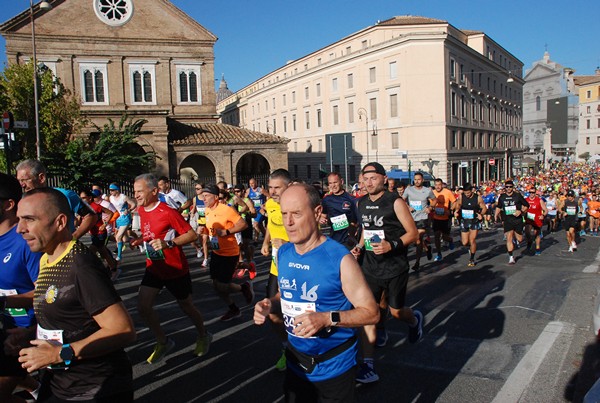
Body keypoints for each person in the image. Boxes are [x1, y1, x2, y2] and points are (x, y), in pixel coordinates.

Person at [254, 184, 379, 402]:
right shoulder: (283, 253)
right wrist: (269, 304)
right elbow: (285, 295)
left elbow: (371, 312)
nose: (288, 222)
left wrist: (326, 319)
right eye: (284, 214)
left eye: (296, 214)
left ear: (317, 212)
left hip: (334, 367)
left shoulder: (339, 258)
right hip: (297, 363)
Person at [15, 187, 136, 402]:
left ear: (60, 222)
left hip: (95, 388)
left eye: (29, 219)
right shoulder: (47, 257)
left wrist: (58, 353)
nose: (20, 229)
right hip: (60, 383)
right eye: (19, 219)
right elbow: (65, 309)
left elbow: (123, 330)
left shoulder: (81, 266)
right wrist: (27, 335)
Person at [351, 162, 422, 384]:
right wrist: (360, 247)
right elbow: (366, 229)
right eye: (365, 178)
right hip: (370, 267)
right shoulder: (361, 203)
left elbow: (413, 234)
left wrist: (391, 245)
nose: (369, 182)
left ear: (383, 179)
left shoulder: (395, 202)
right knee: (368, 312)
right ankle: (368, 365)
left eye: (373, 178)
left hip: (395, 266)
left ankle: (414, 320)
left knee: (396, 311)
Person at [133, 174, 211, 363]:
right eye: (135, 191)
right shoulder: (141, 210)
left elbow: (191, 235)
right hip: (154, 267)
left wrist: (168, 244)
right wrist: (139, 240)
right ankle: (163, 341)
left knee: (186, 306)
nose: (136, 195)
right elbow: (151, 234)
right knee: (143, 307)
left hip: (175, 268)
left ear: (154, 191)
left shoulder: (168, 211)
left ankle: (203, 335)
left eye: (139, 191)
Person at [0, 173, 41, 403]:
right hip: (4, 324)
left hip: (26, 330)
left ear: (8, 204)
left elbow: (45, 293)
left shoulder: (26, 241)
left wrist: (6, 302)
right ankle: (37, 390)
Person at [202, 184, 255, 321]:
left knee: (222, 286)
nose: (203, 198)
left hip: (229, 252)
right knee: (216, 285)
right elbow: (209, 228)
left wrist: (227, 232)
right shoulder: (207, 210)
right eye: (203, 195)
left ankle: (243, 287)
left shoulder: (226, 210)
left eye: (206, 195)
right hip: (216, 252)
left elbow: (243, 224)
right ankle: (234, 309)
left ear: (215, 197)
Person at [15, 159, 97, 240]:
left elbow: (91, 216)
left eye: (25, 180)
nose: (22, 185)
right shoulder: (23, 200)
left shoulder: (65, 195)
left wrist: (73, 238)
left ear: (41, 178)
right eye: (19, 181)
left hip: (62, 250)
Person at [261, 169, 292, 371]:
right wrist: (265, 242)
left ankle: (307, 352)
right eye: (270, 187)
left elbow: (312, 237)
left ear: (288, 186)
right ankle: (286, 349)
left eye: (277, 187)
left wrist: (286, 244)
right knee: (272, 313)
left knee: (298, 314)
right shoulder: (271, 204)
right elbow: (271, 226)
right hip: (276, 266)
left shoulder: (299, 206)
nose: (272, 191)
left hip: (297, 267)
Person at [79, 189, 119, 277]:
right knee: (103, 252)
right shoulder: (84, 207)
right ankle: (114, 268)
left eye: (84, 198)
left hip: (100, 233)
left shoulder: (96, 206)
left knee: (90, 252)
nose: (82, 200)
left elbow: (110, 213)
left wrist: (105, 224)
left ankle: (93, 272)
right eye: (81, 198)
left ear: (90, 198)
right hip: (93, 233)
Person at [402, 171, 436, 271]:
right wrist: (407, 207)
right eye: (415, 179)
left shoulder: (427, 190)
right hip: (412, 218)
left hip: (423, 217)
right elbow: (402, 200)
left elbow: (434, 200)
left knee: (418, 238)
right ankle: (427, 248)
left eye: (419, 179)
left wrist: (430, 207)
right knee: (417, 240)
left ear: (422, 180)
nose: (417, 181)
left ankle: (417, 262)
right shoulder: (409, 189)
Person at [320, 172, 359, 250]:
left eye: (335, 182)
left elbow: (357, 222)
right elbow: (323, 216)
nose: (333, 185)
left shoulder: (351, 199)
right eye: (330, 183)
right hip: (332, 239)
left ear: (341, 182)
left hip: (347, 241)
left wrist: (351, 230)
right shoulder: (326, 200)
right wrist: (321, 219)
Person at [495, 180, 529, 265]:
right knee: (509, 237)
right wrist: (496, 215)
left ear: (513, 187)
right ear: (505, 188)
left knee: (520, 239)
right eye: (507, 187)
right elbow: (499, 207)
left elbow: (527, 205)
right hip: (507, 220)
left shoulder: (517, 196)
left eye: (510, 187)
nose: (508, 188)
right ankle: (511, 257)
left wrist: (521, 211)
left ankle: (517, 236)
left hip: (517, 220)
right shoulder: (502, 197)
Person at [454, 183, 487, 267]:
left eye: (468, 193)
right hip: (465, 220)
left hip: (474, 220)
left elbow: (484, 208)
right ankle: (470, 247)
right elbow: (458, 205)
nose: (467, 195)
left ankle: (472, 258)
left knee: (472, 240)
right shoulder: (462, 196)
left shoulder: (477, 198)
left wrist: (481, 215)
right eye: (465, 193)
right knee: (465, 242)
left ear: (472, 190)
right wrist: (456, 211)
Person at [108, 183, 139, 262]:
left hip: (125, 218)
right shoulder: (111, 198)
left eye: (112, 190)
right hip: (118, 219)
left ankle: (119, 256)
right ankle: (136, 241)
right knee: (125, 239)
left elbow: (133, 204)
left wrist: (128, 210)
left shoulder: (123, 197)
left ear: (117, 190)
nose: (111, 192)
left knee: (118, 237)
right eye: (110, 190)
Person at [431, 178, 456, 261]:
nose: (438, 187)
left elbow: (454, 202)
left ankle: (450, 240)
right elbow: (430, 203)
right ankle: (439, 253)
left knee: (445, 237)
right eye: (436, 185)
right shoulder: (432, 193)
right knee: (436, 236)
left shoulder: (447, 192)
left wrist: (450, 210)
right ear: (434, 185)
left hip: (445, 218)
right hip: (436, 218)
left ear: (442, 185)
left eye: (439, 185)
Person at [190, 182, 209, 267]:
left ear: (203, 189)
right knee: (199, 240)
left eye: (198, 189)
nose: (196, 190)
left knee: (204, 241)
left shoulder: (207, 198)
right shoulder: (195, 198)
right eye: (196, 189)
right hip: (200, 221)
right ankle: (201, 250)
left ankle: (205, 259)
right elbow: (194, 208)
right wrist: (192, 213)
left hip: (208, 221)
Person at [524, 191, 547, 256]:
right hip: (529, 219)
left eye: (533, 192)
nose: (531, 194)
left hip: (537, 219)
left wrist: (543, 215)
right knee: (527, 232)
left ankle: (537, 248)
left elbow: (545, 210)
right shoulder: (526, 200)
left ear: (535, 193)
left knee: (537, 234)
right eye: (530, 192)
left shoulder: (539, 200)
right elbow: (522, 208)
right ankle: (530, 241)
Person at [246, 178, 268, 242]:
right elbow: (245, 198)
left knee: (255, 224)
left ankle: (256, 240)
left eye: (252, 183)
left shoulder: (260, 190)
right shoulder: (248, 190)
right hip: (254, 210)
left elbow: (268, 196)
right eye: (250, 183)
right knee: (260, 225)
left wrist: (264, 204)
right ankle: (267, 238)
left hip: (260, 210)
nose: (251, 185)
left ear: (256, 183)